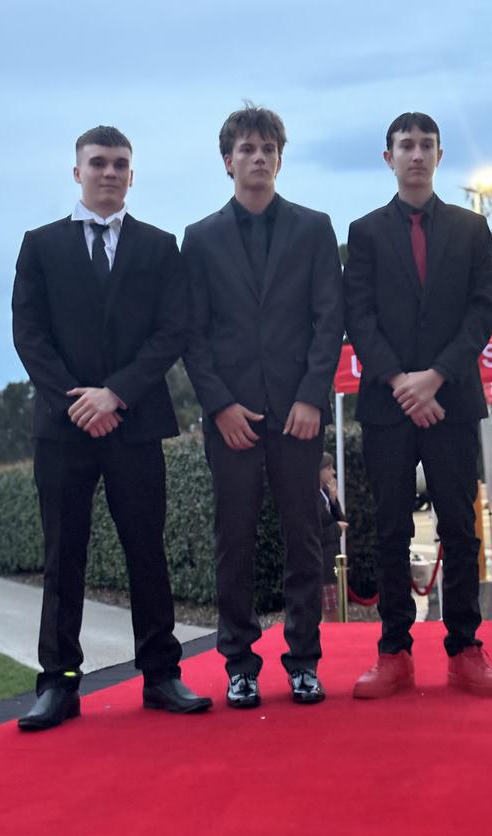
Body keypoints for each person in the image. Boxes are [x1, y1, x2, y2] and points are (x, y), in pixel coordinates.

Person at [12, 125, 212, 731]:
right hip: (63, 425)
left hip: (135, 423)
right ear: (77, 172)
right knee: (62, 556)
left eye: (120, 164)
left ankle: (159, 675)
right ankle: (59, 684)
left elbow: (171, 331)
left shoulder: (158, 247)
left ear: (132, 174)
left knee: (146, 553)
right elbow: (30, 335)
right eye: (97, 163)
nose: (109, 172)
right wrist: (78, 401)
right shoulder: (40, 245)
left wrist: (115, 394)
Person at [343, 112, 492, 699]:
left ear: (439, 156)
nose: (416, 154)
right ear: (387, 157)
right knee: (388, 531)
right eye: (405, 145)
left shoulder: (471, 229)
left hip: (453, 402)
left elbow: (481, 312)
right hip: (388, 406)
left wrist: (435, 377)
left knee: (460, 531)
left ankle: (466, 648)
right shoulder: (363, 233)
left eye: (426, 145)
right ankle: (394, 652)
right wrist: (399, 381)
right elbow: (358, 316)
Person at [183, 105, 343, 708]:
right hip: (231, 420)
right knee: (236, 541)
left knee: (305, 539)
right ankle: (239, 664)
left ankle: (303, 660)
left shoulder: (313, 228)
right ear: (228, 161)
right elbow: (192, 335)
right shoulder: (197, 240)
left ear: (280, 157)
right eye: (247, 148)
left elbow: (330, 322)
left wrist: (310, 398)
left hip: (299, 413)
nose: (258, 157)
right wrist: (220, 406)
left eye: (268, 148)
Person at [319, 453, 348, 622]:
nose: (333, 472)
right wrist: (336, 529)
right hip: (323, 564)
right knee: (330, 613)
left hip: (331, 561)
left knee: (333, 610)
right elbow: (315, 533)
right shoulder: (312, 498)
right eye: (328, 468)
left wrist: (333, 498)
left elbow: (341, 519)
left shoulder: (325, 494)